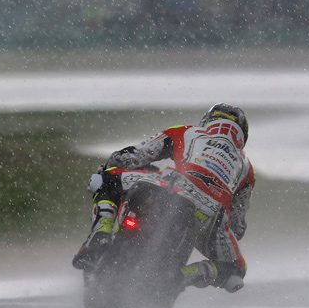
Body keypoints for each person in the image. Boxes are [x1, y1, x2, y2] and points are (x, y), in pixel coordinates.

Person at [71, 103, 255, 293]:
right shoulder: (246, 169)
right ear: (242, 137)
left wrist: (111, 162)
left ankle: (101, 232)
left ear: (208, 120)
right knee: (236, 269)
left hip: (169, 187)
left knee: (106, 178)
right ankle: (185, 275)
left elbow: (133, 156)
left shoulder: (187, 131)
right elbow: (237, 227)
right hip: (209, 216)